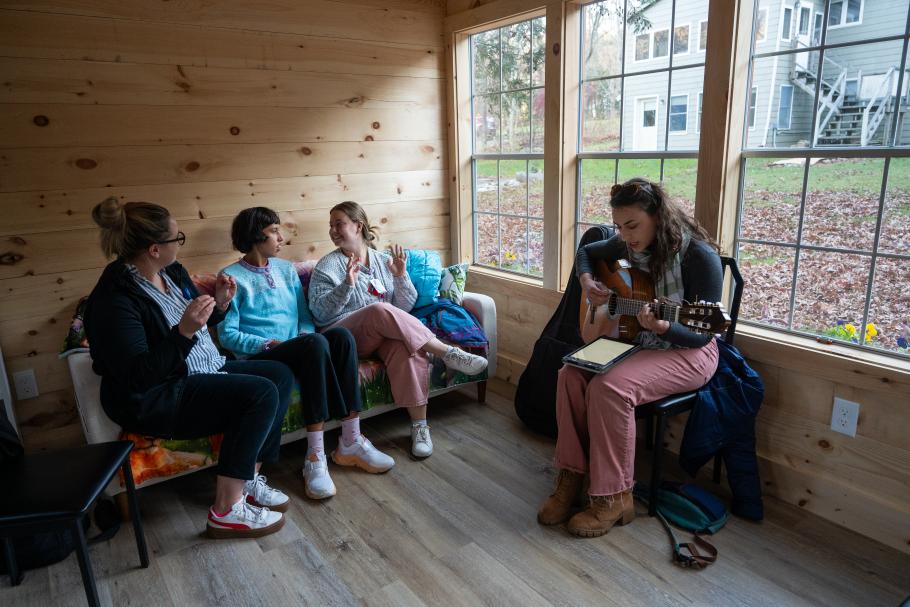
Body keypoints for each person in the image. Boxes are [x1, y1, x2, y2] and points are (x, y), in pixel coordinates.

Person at [84, 197, 294, 539]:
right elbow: (139, 375)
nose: (180, 244)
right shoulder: (114, 301)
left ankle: (248, 479)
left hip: (206, 370)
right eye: (176, 239)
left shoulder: (171, 272)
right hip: (158, 395)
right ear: (154, 248)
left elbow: (197, 321)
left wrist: (221, 307)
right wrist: (181, 333)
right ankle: (226, 510)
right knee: (259, 393)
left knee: (279, 374)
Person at [537, 178, 722, 537]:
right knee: (570, 374)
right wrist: (588, 282)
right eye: (620, 226)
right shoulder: (626, 244)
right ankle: (571, 476)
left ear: (658, 216)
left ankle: (614, 497)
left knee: (610, 388)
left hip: (688, 351)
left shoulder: (700, 257)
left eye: (633, 225)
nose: (626, 235)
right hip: (638, 339)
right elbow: (587, 252)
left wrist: (666, 328)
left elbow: (704, 335)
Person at [218, 207, 394, 500]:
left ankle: (350, 439)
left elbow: (306, 317)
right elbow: (227, 335)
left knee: (340, 337)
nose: (281, 238)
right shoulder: (231, 277)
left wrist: (302, 336)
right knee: (315, 345)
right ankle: (314, 457)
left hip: (299, 347)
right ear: (254, 235)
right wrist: (267, 344)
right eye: (275, 231)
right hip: (263, 355)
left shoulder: (286, 270)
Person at [308, 201, 488, 458]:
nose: (333, 230)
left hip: (377, 333)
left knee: (406, 347)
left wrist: (401, 276)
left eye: (339, 224)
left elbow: (403, 307)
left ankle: (419, 426)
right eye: (331, 225)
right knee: (379, 310)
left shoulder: (382, 261)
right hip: (342, 337)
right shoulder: (328, 266)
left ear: (358, 226)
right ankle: (447, 352)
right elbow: (319, 312)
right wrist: (346, 285)